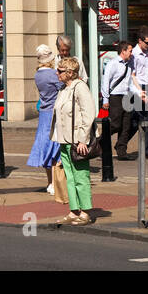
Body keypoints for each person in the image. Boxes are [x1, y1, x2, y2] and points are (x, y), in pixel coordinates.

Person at [52, 56, 96, 225]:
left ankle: (85, 212)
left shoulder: (80, 87)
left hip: (77, 141)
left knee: (81, 176)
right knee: (69, 177)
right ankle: (73, 210)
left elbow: (88, 113)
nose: (57, 73)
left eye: (60, 71)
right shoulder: (64, 89)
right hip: (64, 140)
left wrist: (83, 140)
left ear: (70, 73)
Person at [28, 44, 63, 193]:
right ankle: (55, 183)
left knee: (45, 147)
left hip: (43, 113)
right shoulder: (52, 74)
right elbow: (64, 86)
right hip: (54, 113)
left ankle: (50, 182)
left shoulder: (38, 74)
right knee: (55, 148)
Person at [101, 41, 140, 160]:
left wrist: (139, 93)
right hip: (115, 96)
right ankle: (99, 143)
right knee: (115, 124)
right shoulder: (113, 64)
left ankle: (121, 151)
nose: (131, 53)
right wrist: (105, 99)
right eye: (130, 50)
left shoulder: (129, 65)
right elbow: (106, 81)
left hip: (127, 96)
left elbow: (130, 83)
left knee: (126, 125)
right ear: (123, 51)